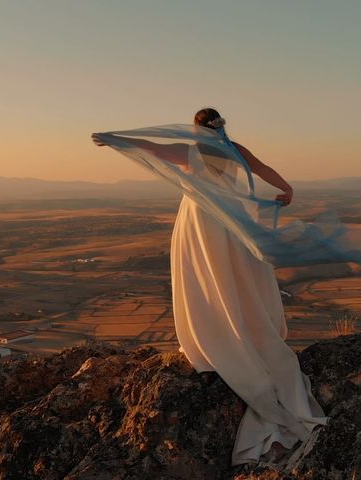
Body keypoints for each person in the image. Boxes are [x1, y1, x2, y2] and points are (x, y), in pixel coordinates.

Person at [92, 108, 329, 466]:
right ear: (220, 126)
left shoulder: (193, 153)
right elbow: (263, 169)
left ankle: (215, 334)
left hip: (202, 221)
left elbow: (152, 147)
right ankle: (244, 329)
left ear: (195, 128)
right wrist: (287, 189)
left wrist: (116, 140)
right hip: (232, 220)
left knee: (205, 277)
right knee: (236, 277)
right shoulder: (234, 149)